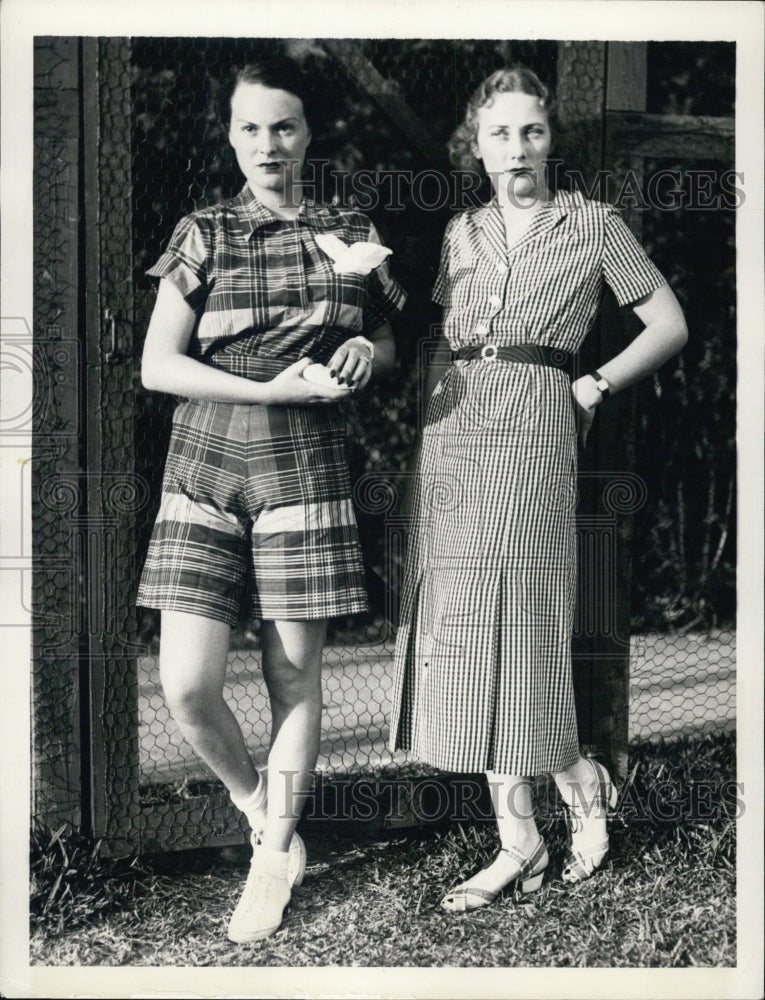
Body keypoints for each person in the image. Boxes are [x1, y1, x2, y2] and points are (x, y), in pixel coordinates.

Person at [389, 65, 687, 911]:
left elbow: (667, 323)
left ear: (549, 139)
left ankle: (581, 790)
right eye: (497, 134)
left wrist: (592, 384)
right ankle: (518, 839)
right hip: (453, 434)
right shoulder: (459, 233)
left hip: (536, 423)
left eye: (530, 131)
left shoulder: (592, 224)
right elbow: (445, 334)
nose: (515, 148)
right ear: (474, 146)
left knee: (517, 621)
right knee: (465, 628)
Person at [137, 55, 406, 942]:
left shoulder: (348, 225)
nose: (267, 145)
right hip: (206, 460)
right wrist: (264, 390)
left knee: (294, 677)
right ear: (229, 135)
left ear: (307, 133)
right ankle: (259, 806)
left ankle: (272, 857)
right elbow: (157, 365)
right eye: (249, 128)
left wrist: (370, 351)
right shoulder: (203, 231)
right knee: (185, 685)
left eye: (283, 126)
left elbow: (387, 333)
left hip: (305, 466)